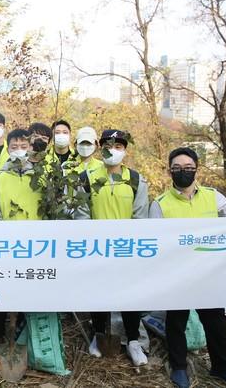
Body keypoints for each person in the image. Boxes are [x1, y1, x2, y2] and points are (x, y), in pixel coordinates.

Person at [149, 147, 226, 388]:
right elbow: (155, 240)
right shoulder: (160, 204)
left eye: (188, 168)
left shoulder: (212, 196)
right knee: (176, 321)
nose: (183, 172)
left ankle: (221, 368)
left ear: (197, 170)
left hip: (209, 273)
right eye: (177, 168)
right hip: (178, 274)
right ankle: (179, 367)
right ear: (170, 171)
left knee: (215, 321)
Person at [74, 129, 149, 367]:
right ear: (100, 148)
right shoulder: (87, 178)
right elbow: (82, 214)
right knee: (98, 293)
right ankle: (98, 335)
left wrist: (130, 243)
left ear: (125, 150)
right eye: (108, 146)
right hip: (97, 249)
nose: (113, 151)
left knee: (130, 295)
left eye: (118, 147)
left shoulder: (135, 180)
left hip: (126, 249)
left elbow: (140, 216)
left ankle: (133, 340)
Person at [0, 129, 42, 359]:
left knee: (28, 290)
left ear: (30, 148)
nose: (19, 150)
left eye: (23, 146)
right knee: (0, 290)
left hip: (35, 246)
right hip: (5, 246)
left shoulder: (40, 177)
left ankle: (22, 336)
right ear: (8, 149)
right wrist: (6, 238)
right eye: (14, 146)